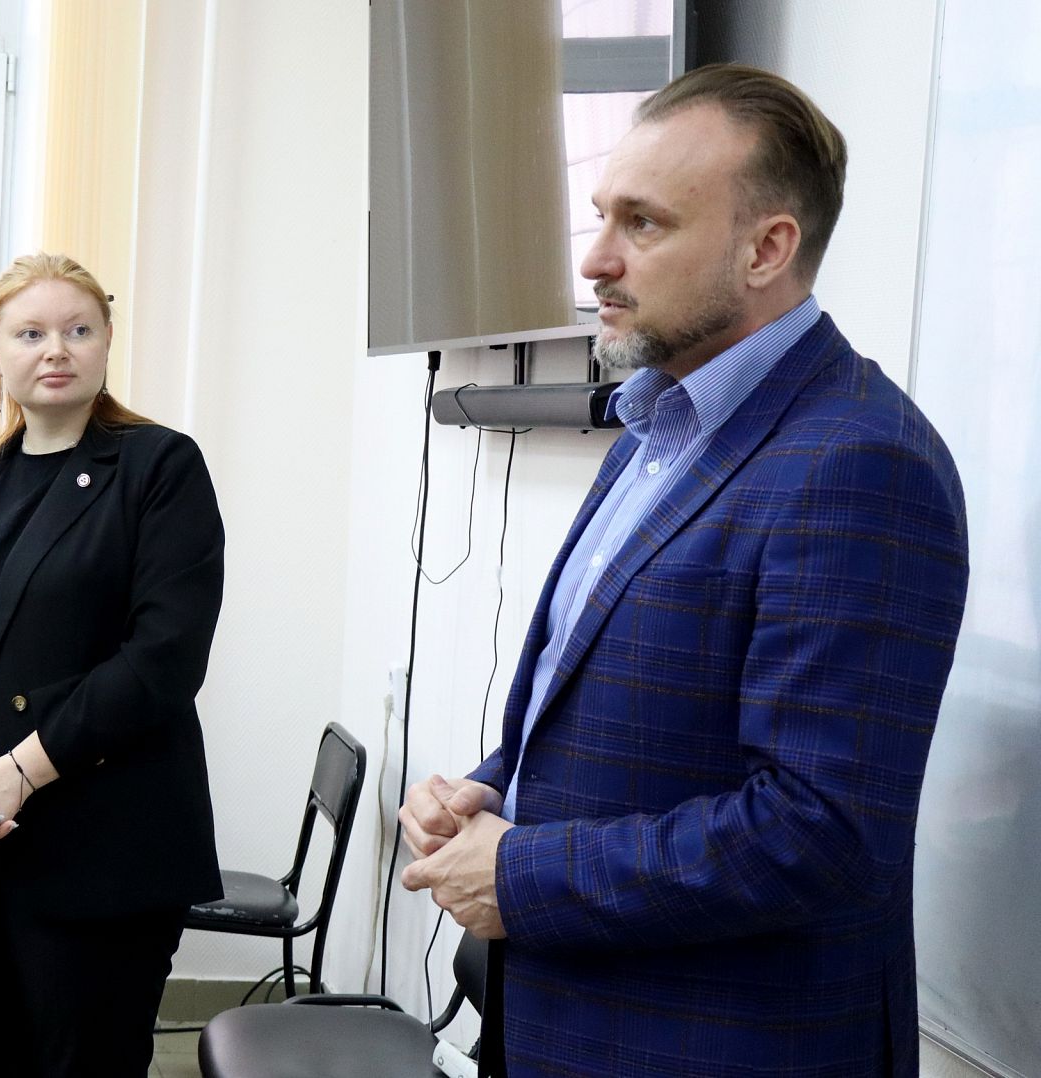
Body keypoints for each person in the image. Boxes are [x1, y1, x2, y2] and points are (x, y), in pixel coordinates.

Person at [398, 63, 971, 1076]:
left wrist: (522, 872)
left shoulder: (859, 463)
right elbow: (632, 727)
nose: (595, 259)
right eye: (600, 217)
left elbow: (820, 831)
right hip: (569, 1022)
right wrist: (494, 792)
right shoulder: (656, 426)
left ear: (766, 249)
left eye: (644, 224)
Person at [0, 253, 225, 1078]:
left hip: (100, 852)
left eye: (78, 330)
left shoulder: (160, 468)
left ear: (106, 342)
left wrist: (18, 773)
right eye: (30, 333)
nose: (55, 349)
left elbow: (163, 662)